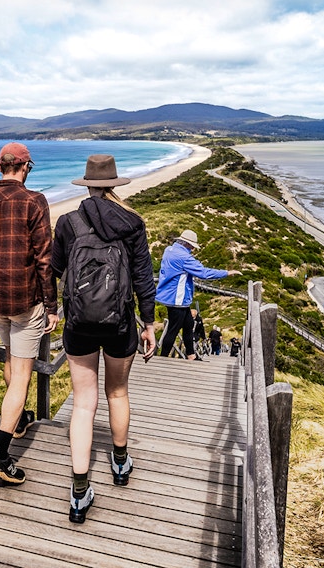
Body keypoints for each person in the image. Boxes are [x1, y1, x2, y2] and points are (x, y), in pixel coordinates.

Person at [51, 154, 156, 523]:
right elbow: (144, 278)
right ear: (113, 184)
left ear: (87, 184)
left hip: (78, 324)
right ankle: (120, 461)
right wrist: (149, 323)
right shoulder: (132, 222)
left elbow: (55, 272)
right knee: (118, 393)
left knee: (83, 403)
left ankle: (79, 491)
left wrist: (52, 310)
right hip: (120, 324)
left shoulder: (67, 222)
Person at [0, 142, 59, 486]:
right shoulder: (34, 201)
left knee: (10, 359)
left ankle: (17, 421)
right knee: (22, 375)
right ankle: (1, 455)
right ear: (25, 168)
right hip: (25, 302)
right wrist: (52, 306)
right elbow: (44, 261)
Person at [155, 229, 240, 359]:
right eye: (192, 246)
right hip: (178, 298)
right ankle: (162, 358)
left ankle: (191, 355)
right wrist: (226, 273)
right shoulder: (184, 257)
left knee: (188, 324)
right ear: (187, 244)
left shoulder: (169, 250)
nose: (193, 249)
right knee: (173, 329)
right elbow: (203, 273)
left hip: (169, 294)